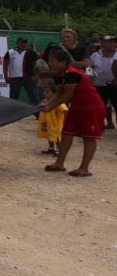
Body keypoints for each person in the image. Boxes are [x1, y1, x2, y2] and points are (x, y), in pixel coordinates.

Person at [42, 49, 106, 177]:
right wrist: (47, 104)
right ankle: (59, 163)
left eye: (52, 61)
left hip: (91, 107)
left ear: (63, 62)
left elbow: (67, 95)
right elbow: (59, 93)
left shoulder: (71, 74)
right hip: (77, 107)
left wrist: (50, 106)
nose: (50, 63)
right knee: (66, 133)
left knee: (88, 137)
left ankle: (84, 168)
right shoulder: (60, 74)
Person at [90, 35, 116, 129]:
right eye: (109, 42)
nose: (112, 44)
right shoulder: (95, 55)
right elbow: (89, 68)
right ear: (102, 44)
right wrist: (90, 78)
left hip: (115, 85)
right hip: (99, 85)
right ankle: (100, 125)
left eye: (114, 42)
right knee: (100, 106)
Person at [3, 37, 39, 104]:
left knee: (34, 97)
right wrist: (6, 76)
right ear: (17, 43)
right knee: (13, 98)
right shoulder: (10, 52)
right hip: (14, 78)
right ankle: (14, 113)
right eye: (21, 42)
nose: (23, 44)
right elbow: (5, 65)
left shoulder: (30, 52)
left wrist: (36, 77)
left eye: (25, 43)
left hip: (28, 78)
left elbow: (38, 64)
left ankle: (38, 113)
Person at [37, 85, 67, 156]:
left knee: (56, 137)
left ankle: (59, 150)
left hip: (56, 123)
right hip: (47, 122)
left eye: (47, 92)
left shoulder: (58, 102)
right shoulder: (45, 101)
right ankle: (51, 148)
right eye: (44, 91)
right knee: (49, 135)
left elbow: (65, 111)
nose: (44, 93)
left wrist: (64, 122)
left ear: (55, 94)